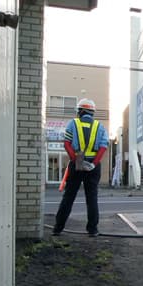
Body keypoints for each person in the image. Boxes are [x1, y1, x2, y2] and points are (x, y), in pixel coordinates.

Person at [53, 98, 109, 237]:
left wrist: (76, 160)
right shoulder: (100, 126)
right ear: (92, 112)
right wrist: (93, 163)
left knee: (69, 197)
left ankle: (58, 228)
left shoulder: (73, 123)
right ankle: (92, 230)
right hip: (93, 165)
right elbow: (103, 147)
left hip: (77, 162)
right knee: (92, 198)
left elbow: (67, 143)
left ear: (81, 111)